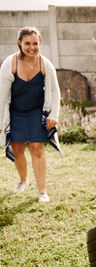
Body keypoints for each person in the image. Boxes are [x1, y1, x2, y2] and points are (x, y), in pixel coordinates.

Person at [0, 26, 61, 202]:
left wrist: (53, 116)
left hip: (36, 112)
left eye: (35, 43)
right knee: (17, 150)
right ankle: (23, 180)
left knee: (37, 149)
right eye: (27, 43)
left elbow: (55, 92)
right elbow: (2, 96)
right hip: (15, 113)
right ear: (20, 43)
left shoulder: (45, 64)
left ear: (40, 43)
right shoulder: (10, 63)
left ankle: (42, 191)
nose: (32, 47)